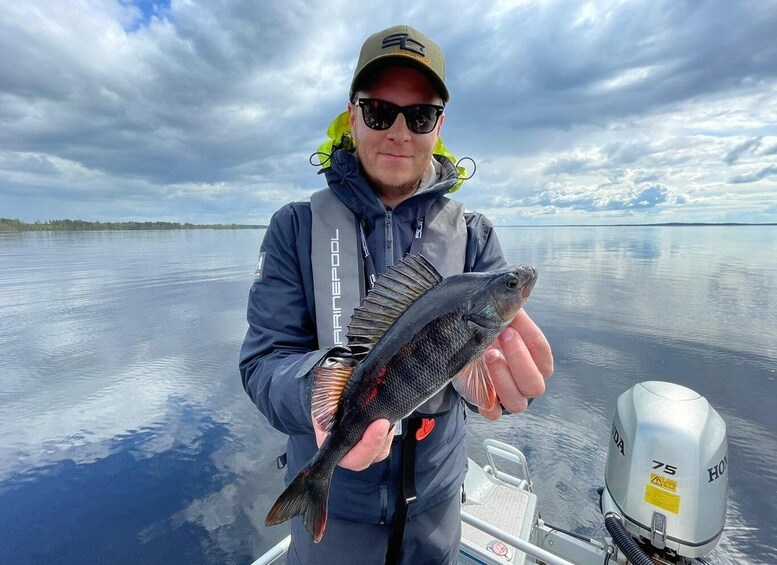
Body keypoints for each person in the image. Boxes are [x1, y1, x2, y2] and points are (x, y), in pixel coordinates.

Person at [240, 24, 553, 565]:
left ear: (439, 125)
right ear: (353, 113)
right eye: (380, 111)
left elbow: (486, 375)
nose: (399, 133)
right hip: (334, 516)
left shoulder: (474, 237)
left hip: (435, 509)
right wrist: (319, 392)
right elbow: (263, 363)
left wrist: (502, 391)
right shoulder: (295, 228)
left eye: (420, 115)